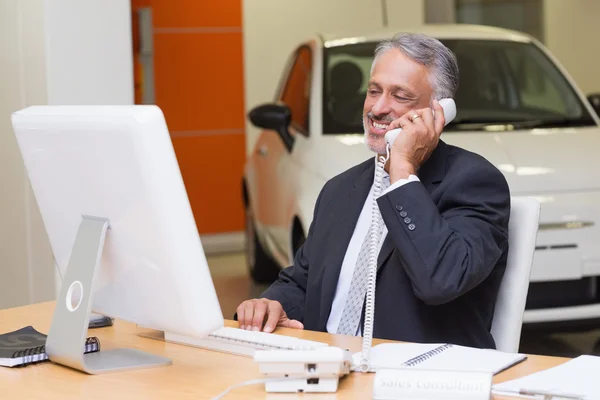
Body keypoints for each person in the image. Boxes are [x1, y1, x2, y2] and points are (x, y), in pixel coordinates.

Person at [236, 32, 511, 349]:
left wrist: (403, 170)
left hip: (416, 379)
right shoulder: (339, 190)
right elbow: (303, 281)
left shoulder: (474, 182)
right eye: (374, 91)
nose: (378, 108)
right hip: (328, 372)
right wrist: (273, 303)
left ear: (438, 113)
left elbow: (440, 280)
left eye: (400, 96)